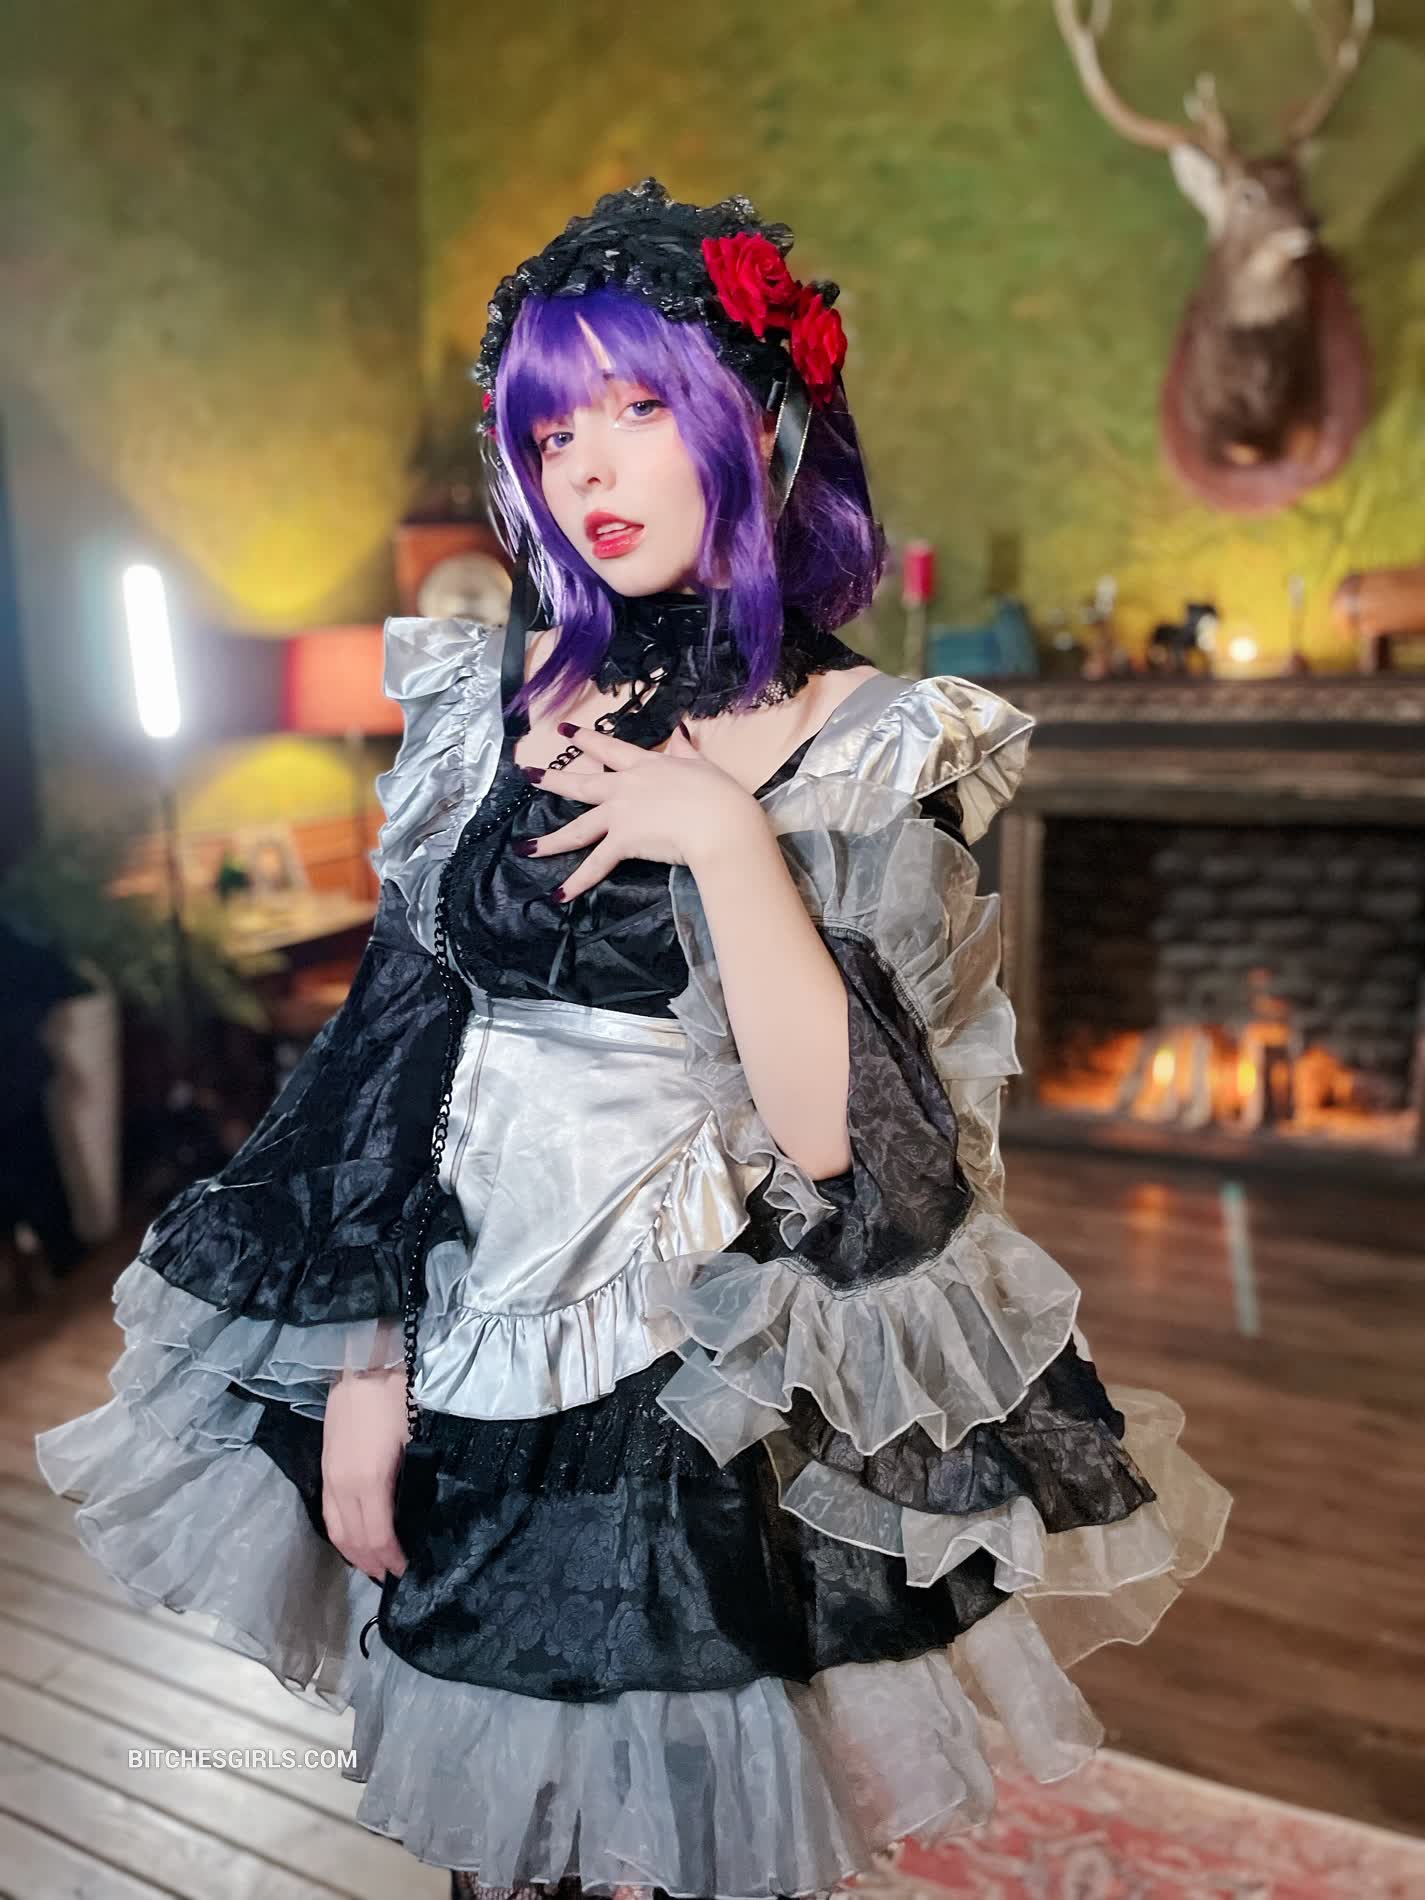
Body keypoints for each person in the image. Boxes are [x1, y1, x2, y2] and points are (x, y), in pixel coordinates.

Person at [35, 179, 1231, 1900]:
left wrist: (725, 838)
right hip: (464, 1340)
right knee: (499, 1839)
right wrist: (364, 1374)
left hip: (697, 1375)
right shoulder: (487, 702)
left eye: (635, 410)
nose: (584, 471)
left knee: (680, 1842)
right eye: (549, 433)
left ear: (760, 420)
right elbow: (390, 1060)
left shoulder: (875, 735)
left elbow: (845, 1149)